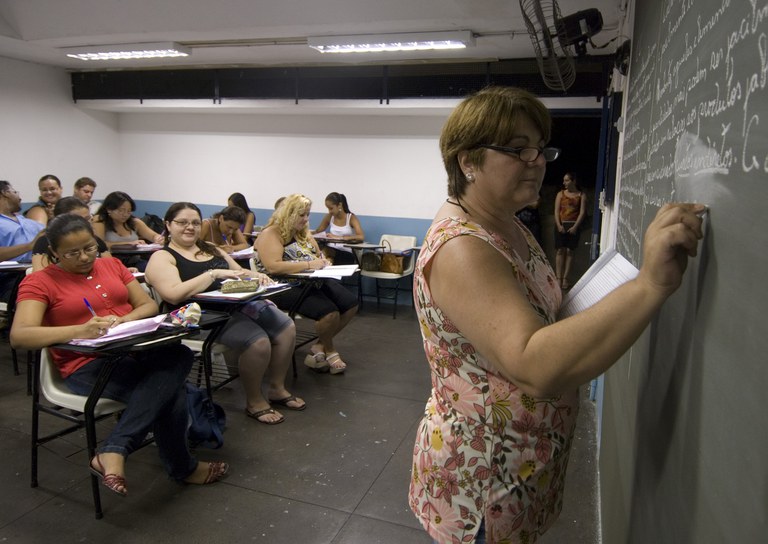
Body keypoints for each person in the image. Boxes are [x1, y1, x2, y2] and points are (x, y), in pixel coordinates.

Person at [408, 86, 704, 544]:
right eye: (518, 150)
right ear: (467, 161)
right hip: (485, 478)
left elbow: (535, 316)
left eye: (540, 149)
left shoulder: (507, 223)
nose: (537, 161)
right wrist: (651, 284)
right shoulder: (462, 247)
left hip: (522, 461)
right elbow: (534, 363)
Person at [10, 214, 228, 496]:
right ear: (53, 252)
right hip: (86, 364)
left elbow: (147, 306)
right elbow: (20, 336)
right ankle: (179, 467)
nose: (85, 257)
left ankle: (115, 450)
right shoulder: (40, 282)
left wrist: (122, 320)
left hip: (134, 350)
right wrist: (80, 330)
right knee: (169, 392)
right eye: (72, 253)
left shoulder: (110, 264)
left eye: (89, 248)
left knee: (179, 355)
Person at [145, 202, 304, 424]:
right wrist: (213, 274)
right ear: (168, 225)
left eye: (195, 223)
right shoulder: (163, 257)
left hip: (234, 305)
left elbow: (238, 273)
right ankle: (255, 400)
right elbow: (173, 294)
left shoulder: (210, 248)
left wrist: (257, 279)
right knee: (258, 341)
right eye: (182, 223)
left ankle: (277, 389)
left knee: (285, 326)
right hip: (196, 315)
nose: (189, 227)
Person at [253, 193, 358, 375]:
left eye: (307, 214)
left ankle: (319, 347)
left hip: (311, 280)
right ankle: (330, 349)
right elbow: (273, 266)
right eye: (301, 215)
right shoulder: (271, 233)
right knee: (329, 313)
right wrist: (310, 264)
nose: (306, 219)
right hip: (282, 285)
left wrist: (324, 261)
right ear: (288, 213)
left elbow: (318, 255)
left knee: (350, 304)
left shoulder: (303, 233)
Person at [31, 197, 115, 272]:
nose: (85, 223)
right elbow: (40, 275)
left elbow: (111, 269)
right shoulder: (45, 242)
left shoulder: (96, 240)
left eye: (88, 219)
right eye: (78, 220)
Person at [92, 191, 164, 271]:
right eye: (121, 210)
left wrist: (158, 238)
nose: (125, 214)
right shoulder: (99, 220)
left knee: (154, 267)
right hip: (111, 260)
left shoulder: (134, 222)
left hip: (134, 259)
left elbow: (153, 236)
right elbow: (100, 245)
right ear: (109, 209)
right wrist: (128, 243)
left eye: (129, 211)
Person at [0, 180, 45, 300]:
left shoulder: (27, 221)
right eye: (15, 192)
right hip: (11, 279)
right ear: (5, 193)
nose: (20, 198)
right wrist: (30, 246)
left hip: (40, 272)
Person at [554, 172, 587, 289]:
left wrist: (575, 227)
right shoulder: (560, 194)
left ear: (573, 181)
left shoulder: (581, 195)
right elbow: (556, 211)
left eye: (567, 180)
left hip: (573, 225)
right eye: (564, 180)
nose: (564, 183)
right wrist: (558, 225)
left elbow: (582, 212)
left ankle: (565, 279)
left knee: (569, 251)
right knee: (560, 251)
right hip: (562, 224)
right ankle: (558, 277)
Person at [312, 192, 365, 264]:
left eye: (331, 208)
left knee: (329, 257)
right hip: (330, 251)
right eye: (328, 208)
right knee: (320, 253)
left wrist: (339, 237)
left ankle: (328, 262)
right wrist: (307, 233)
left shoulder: (351, 218)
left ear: (339, 205)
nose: (329, 211)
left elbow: (361, 236)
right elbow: (318, 231)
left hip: (345, 253)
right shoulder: (329, 217)